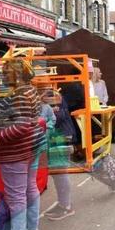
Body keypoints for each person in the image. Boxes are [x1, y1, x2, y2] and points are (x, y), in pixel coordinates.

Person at [0, 59, 45, 230]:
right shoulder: (29, 90)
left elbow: (21, 127)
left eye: (6, 71)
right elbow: (29, 122)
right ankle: (32, 227)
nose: (2, 75)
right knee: (28, 187)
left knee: (16, 196)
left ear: (17, 74)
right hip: (28, 148)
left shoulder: (20, 94)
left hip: (15, 151)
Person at [43, 89, 77, 221]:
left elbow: (59, 116)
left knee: (60, 172)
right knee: (57, 172)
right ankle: (63, 202)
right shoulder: (46, 96)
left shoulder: (52, 95)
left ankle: (66, 206)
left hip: (61, 136)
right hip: (56, 137)